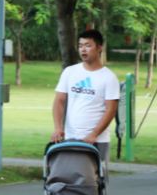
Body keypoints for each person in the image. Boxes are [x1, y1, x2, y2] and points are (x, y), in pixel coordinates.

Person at [51, 29, 121, 164]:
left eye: (88, 45)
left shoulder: (109, 77)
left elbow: (111, 110)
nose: (83, 50)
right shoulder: (70, 72)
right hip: (70, 138)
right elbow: (59, 101)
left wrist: (94, 134)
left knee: (95, 181)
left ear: (99, 48)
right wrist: (58, 128)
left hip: (97, 141)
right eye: (80, 45)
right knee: (69, 178)